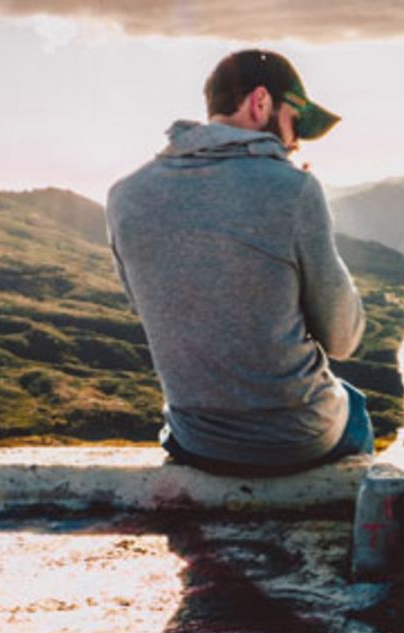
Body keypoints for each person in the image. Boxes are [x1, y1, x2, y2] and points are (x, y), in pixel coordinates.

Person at [106, 49, 372, 476]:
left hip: (195, 439)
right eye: (294, 123)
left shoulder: (124, 195)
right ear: (260, 103)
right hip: (296, 438)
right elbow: (343, 338)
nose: (295, 141)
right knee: (353, 404)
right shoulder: (293, 189)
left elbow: (156, 308)